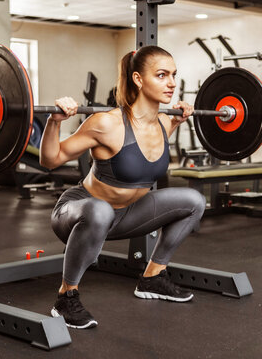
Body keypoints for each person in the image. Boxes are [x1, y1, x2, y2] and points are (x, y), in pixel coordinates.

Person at [39, 45, 206, 329]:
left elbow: (149, 154)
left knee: (194, 201)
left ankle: (153, 277)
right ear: (139, 80)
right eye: (162, 75)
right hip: (80, 212)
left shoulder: (164, 122)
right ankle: (66, 297)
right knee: (100, 210)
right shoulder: (106, 123)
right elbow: (50, 160)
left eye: (173, 75)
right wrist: (54, 122)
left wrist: (177, 120)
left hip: (127, 214)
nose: (171, 83)